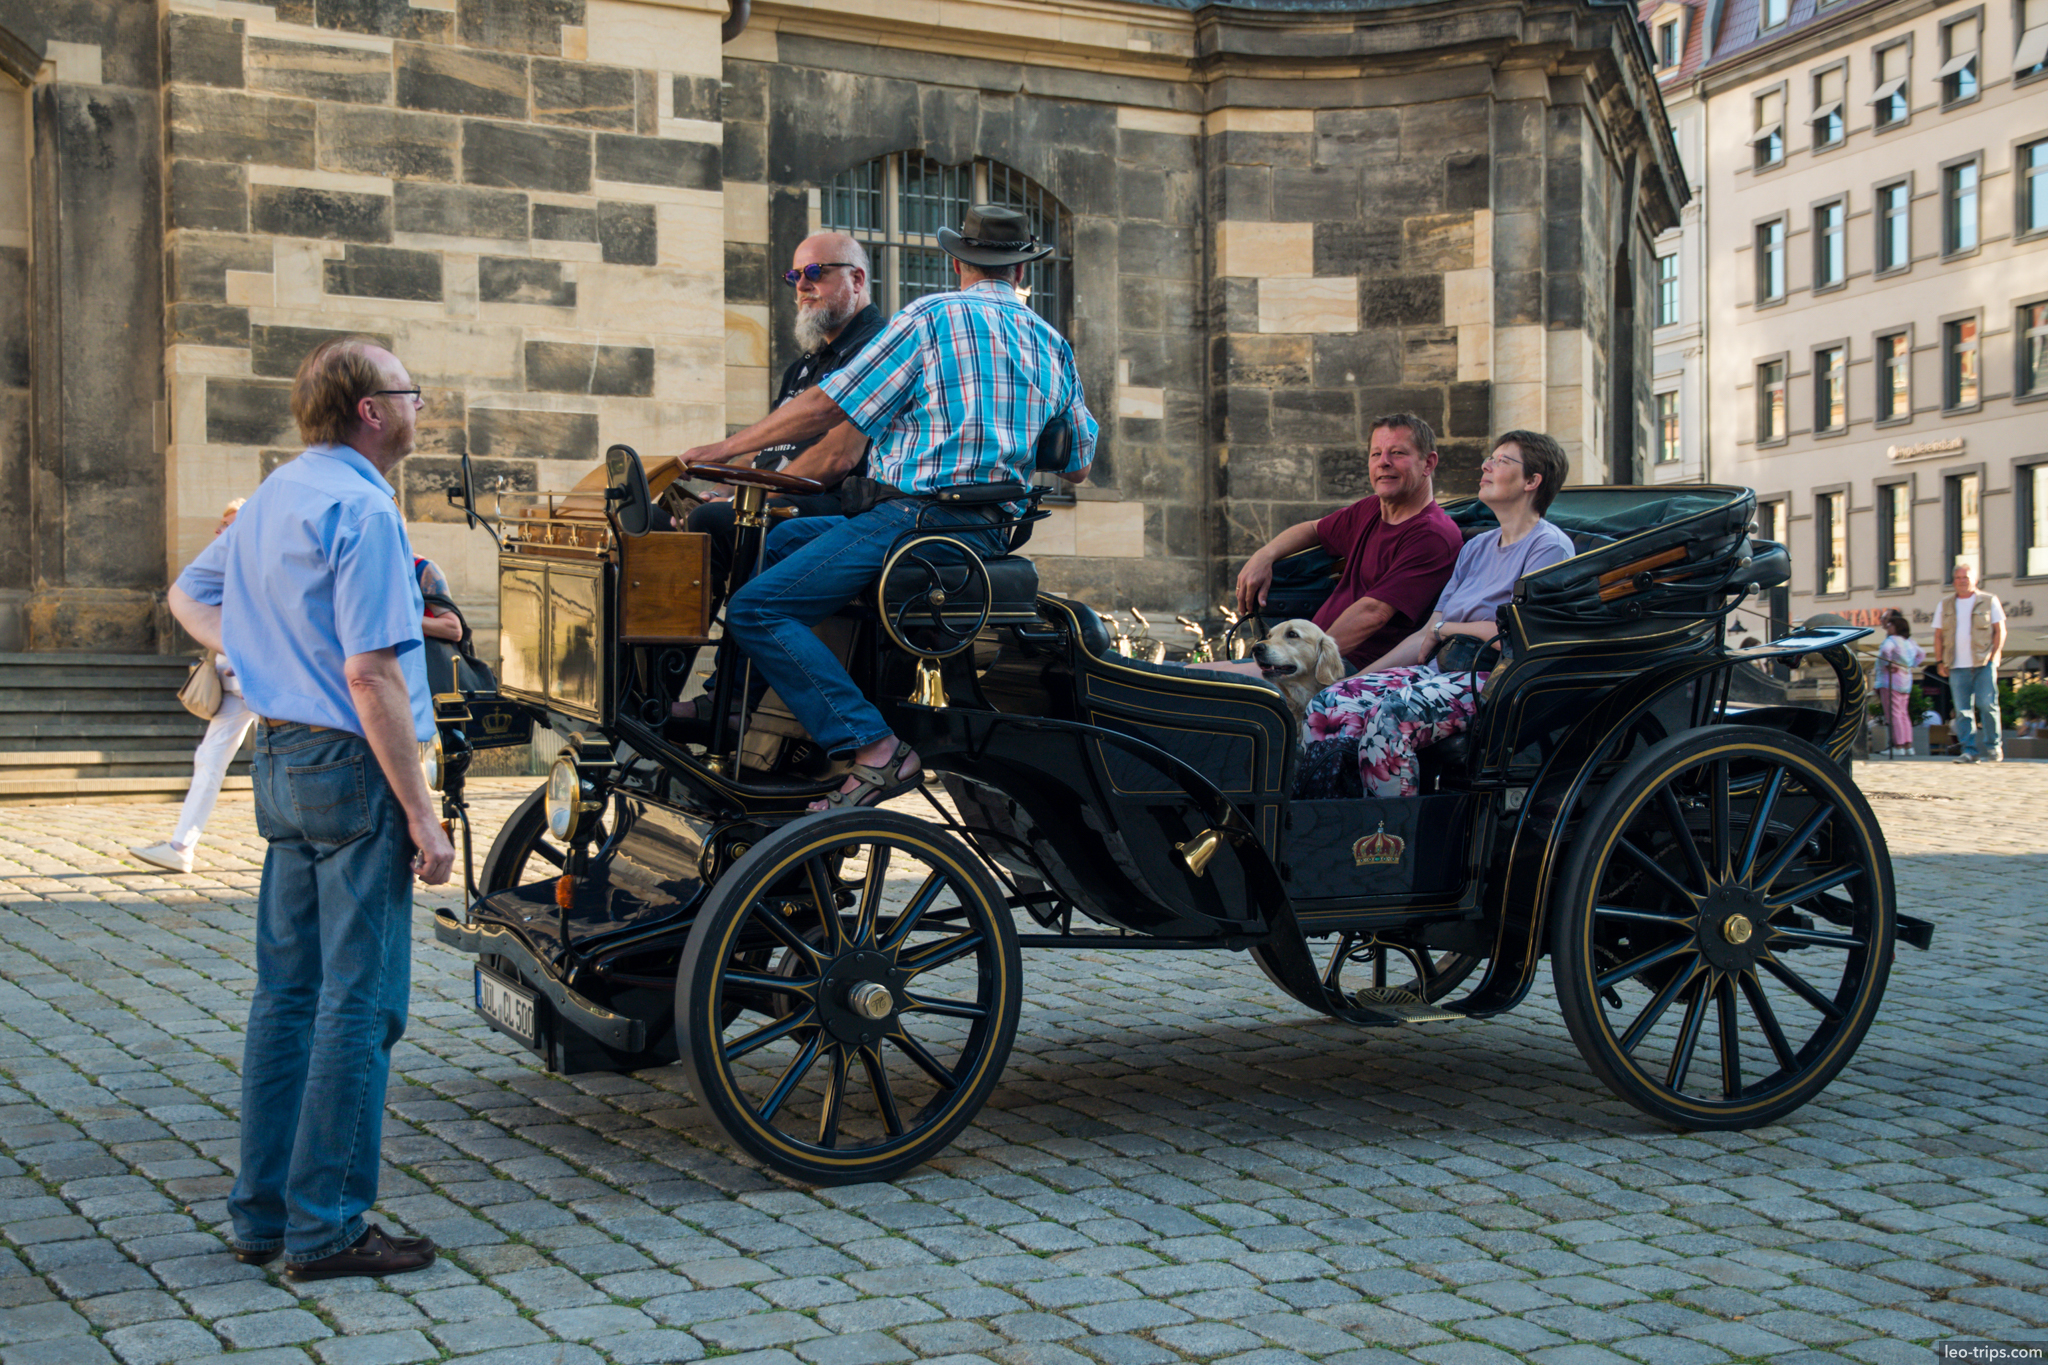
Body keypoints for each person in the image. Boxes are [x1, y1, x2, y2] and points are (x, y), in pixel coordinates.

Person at [169, 336, 454, 1280]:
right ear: (372, 410)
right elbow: (371, 673)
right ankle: (326, 1225)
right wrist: (423, 815)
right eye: (409, 392)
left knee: (286, 996)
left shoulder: (278, 494)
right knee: (358, 1003)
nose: (421, 405)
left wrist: (252, 646)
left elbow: (187, 593)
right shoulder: (363, 509)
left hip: (283, 756)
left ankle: (261, 1214)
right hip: (352, 761)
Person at [678, 204, 1096, 810]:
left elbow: (830, 407)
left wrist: (725, 449)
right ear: (1021, 271)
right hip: (990, 531)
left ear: (957, 262)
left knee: (757, 608)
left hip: (918, 520)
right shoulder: (1051, 341)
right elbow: (1078, 463)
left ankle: (874, 746)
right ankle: (737, 701)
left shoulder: (930, 316)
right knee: (769, 548)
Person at [1294, 431, 1574, 799]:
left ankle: (1391, 839)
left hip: (1492, 679)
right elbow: (1427, 634)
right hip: (1440, 669)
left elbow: (1519, 634)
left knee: (1391, 716)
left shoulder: (1548, 547)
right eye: (1490, 458)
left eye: (1502, 461)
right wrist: (1358, 678)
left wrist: (1449, 628)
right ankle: (1331, 819)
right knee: (1331, 703)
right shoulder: (1476, 547)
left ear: (1532, 481)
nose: (1486, 465)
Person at [679, 232, 886, 589]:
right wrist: (723, 492)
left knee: (708, 523)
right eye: (794, 276)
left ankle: (729, 641)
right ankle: (649, 646)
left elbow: (834, 459)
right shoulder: (804, 366)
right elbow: (762, 453)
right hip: (775, 497)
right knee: (656, 519)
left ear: (857, 279)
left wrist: (748, 502)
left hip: (835, 504)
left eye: (815, 272)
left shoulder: (880, 350)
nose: (802, 285)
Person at [1233, 414, 1465, 673]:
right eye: (1376, 454)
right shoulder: (1370, 510)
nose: (1384, 463)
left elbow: (1373, 612)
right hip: (1308, 656)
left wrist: (1310, 661)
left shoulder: (1432, 534)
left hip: (1346, 668)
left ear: (1428, 463)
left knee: (1197, 684)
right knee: (1188, 680)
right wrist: (1264, 555)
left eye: (1397, 453)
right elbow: (1313, 529)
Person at [133, 500, 257, 875]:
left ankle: (307, 847)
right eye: (220, 525)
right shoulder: (224, 570)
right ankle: (181, 846)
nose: (220, 533)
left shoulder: (259, 571)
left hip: (261, 681)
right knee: (208, 759)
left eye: (229, 525)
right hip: (234, 685)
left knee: (285, 759)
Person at [1930, 559, 2005, 763]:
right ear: (1953, 581)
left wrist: (1995, 656)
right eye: (1958, 578)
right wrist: (1939, 661)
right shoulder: (1945, 604)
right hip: (1956, 664)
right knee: (1962, 711)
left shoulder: (1989, 600)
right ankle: (1969, 750)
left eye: (1966, 577)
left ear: (1975, 579)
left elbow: (2000, 631)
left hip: (1983, 662)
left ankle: (1993, 747)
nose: (1962, 581)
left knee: (1987, 705)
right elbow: (1938, 635)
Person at [1873, 611, 1923, 757]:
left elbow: (1884, 651)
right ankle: (1908, 745)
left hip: (1889, 681)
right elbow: (1922, 654)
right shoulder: (1909, 642)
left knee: (1893, 714)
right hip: (1905, 681)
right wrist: (1911, 665)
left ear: (1896, 627)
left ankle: (1898, 745)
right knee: (1903, 714)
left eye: (1890, 625)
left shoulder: (1892, 640)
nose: (1887, 627)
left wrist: (1887, 664)